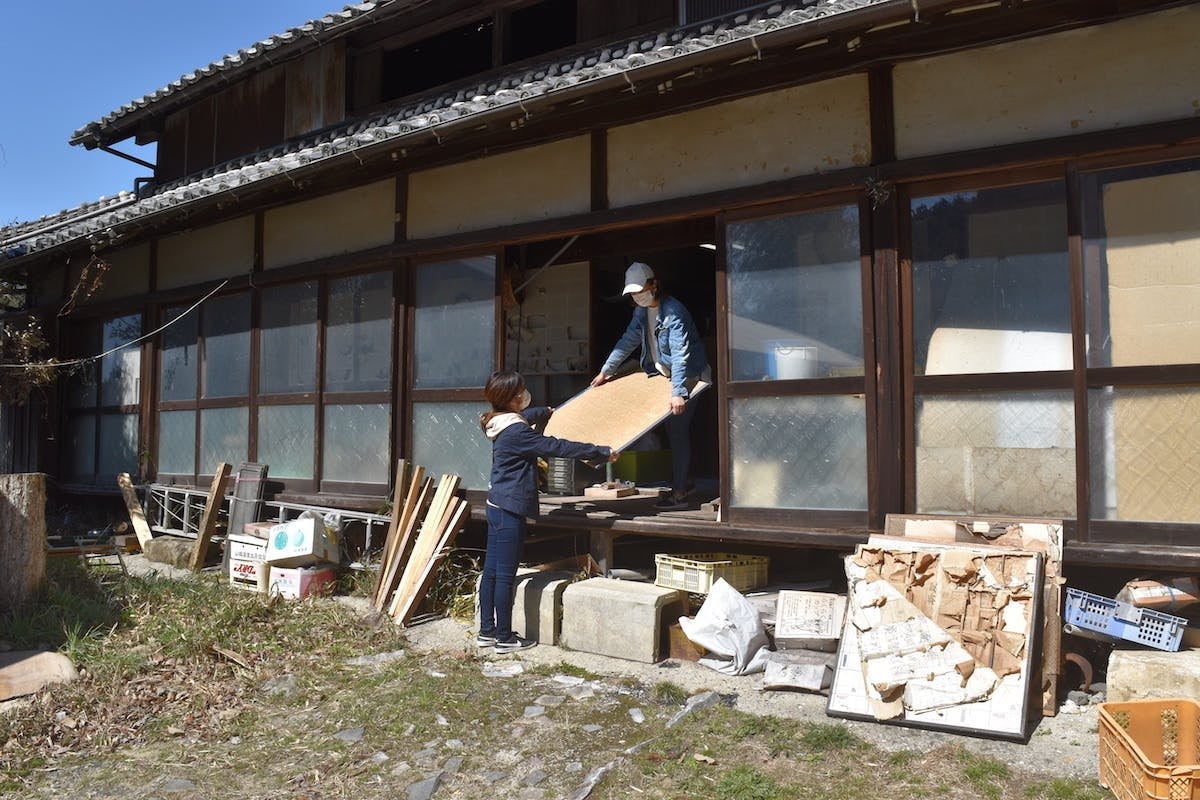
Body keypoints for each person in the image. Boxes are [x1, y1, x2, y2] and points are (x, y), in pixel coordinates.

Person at [478, 370, 618, 652]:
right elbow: (557, 447)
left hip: (496, 505)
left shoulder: (498, 421)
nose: (525, 393)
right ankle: (504, 638)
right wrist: (601, 452)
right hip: (509, 510)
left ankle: (486, 631)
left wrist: (544, 411)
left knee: (491, 573)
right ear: (513, 398)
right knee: (504, 575)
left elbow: (525, 417)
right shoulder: (517, 433)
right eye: (522, 390)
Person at [592, 261, 710, 511]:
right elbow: (627, 341)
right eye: (633, 294)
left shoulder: (674, 311)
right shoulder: (640, 312)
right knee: (672, 431)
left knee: (677, 431)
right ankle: (685, 481)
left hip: (689, 377)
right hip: (663, 376)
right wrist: (606, 371)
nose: (637, 297)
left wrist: (678, 393)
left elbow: (679, 354)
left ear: (654, 285)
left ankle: (680, 492)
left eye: (640, 291)